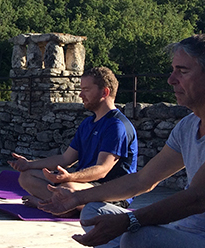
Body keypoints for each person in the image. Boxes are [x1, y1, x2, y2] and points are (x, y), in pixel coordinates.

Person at [41, 34, 205, 248]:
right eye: (172, 71)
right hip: (191, 237)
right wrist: (75, 199)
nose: (171, 80)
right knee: (94, 212)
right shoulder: (190, 125)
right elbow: (143, 180)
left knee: (140, 238)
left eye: (182, 71)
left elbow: (197, 199)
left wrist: (129, 223)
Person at [9, 67, 137, 211]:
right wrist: (29, 164)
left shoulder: (117, 126)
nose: (81, 95)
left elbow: (102, 170)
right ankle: (61, 205)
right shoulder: (87, 123)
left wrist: (69, 177)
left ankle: (49, 204)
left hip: (110, 191)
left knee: (67, 188)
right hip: (82, 185)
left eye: (86, 90)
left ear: (105, 92)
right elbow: (65, 159)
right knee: (26, 177)